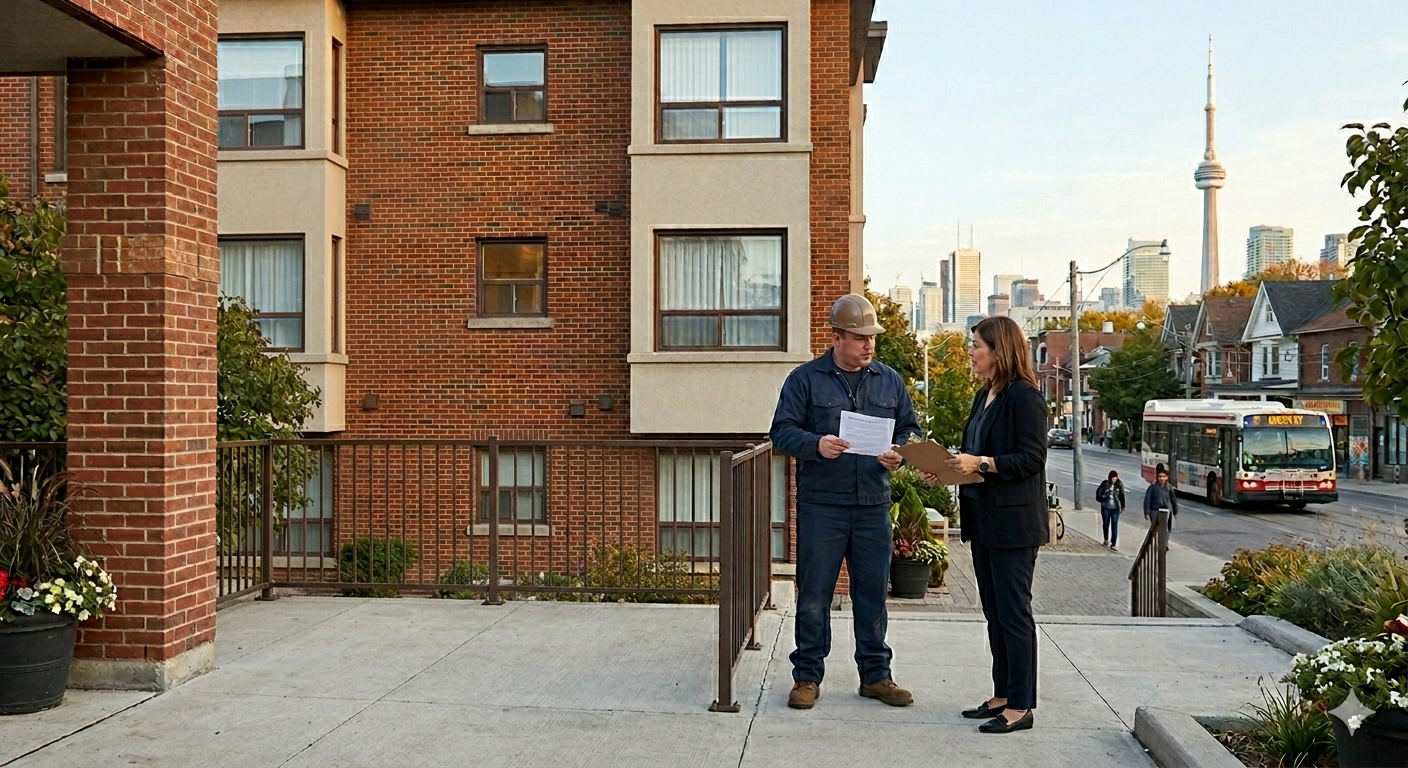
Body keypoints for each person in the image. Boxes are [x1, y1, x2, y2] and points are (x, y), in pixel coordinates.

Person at [769, 294, 921, 711]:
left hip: (873, 504)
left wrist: (899, 451)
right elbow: (780, 432)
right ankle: (807, 677)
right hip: (823, 506)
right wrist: (816, 443)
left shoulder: (889, 381)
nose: (869, 345)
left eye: (872, 337)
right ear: (836, 338)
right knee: (815, 592)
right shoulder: (804, 380)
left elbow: (909, 428)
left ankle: (876, 676)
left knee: (872, 594)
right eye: (859, 338)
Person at [935, 315, 1048, 734]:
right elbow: (975, 454)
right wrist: (948, 468)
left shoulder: (1024, 398)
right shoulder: (985, 395)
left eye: (977, 345)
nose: (971, 351)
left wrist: (981, 462)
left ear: (999, 351)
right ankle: (1002, 694)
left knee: (1014, 614)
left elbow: (1032, 459)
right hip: (983, 521)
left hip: (1014, 525)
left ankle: (1021, 706)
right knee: (994, 613)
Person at [1144, 463, 1178, 548]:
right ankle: (1157, 543)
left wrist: (1175, 511)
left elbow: (1173, 500)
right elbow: (1147, 500)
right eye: (1160, 476)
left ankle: (1164, 544)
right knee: (1156, 529)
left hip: (1166, 511)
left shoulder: (1169, 488)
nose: (1162, 478)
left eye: (1163, 476)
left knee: (1166, 529)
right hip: (1155, 511)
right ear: (1157, 477)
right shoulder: (1152, 488)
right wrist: (1147, 513)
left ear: (1166, 477)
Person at [1095, 470, 1126, 551]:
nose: (1114, 479)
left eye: (1115, 478)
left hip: (1115, 508)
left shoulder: (1119, 484)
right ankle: (1106, 539)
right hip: (1106, 507)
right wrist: (1103, 497)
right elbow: (1098, 493)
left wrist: (1122, 506)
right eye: (1113, 478)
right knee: (1106, 524)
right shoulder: (1105, 483)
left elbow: (1122, 495)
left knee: (1114, 525)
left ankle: (1113, 543)